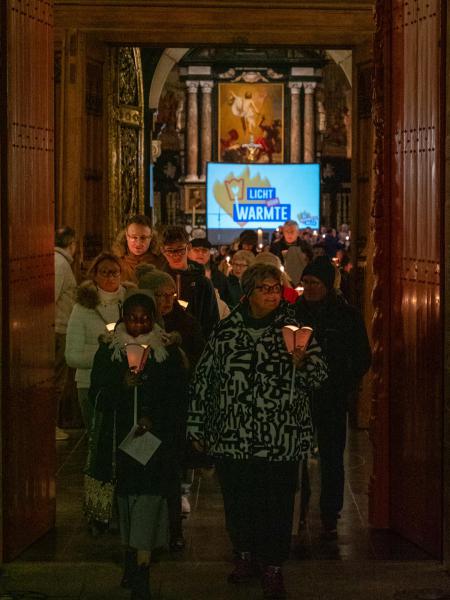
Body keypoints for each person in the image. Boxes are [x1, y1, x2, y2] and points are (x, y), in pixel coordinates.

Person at [188, 263, 328, 600]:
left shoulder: (294, 329)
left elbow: (320, 375)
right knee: (239, 500)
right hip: (232, 436)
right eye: (264, 288)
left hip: (279, 436)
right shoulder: (227, 331)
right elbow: (204, 379)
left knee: (276, 503)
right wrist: (197, 425)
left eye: (275, 288)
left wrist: (304, 362)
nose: (271, 294)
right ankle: (245, 555)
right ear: (248, 292)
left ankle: (273, 566)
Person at [89, 290, 188, 600]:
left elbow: (177, 396)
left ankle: (143, 566)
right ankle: (132, 559)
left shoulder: (167, 352)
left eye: (144, 319)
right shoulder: (109, 351)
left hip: (153, 446)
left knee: (147, 501)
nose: (138, 325)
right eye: (132, 319)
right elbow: (98, 396)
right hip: (120, 442)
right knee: (127, 502)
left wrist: (153, 417)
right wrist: (121, 387)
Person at [295, 256, 371, 539]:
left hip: (332, 396)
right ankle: (298, 508)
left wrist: (343, 383)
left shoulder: (346, 316)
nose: (310, 288)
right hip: (300, 396)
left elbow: (362, 356)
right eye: (305, 283)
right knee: (297, 455)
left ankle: (330, 512)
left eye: (315, 283)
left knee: (331, 455)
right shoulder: (293, 314)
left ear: (327, 285)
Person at [135, 263, 206, 549]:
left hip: (174, 410)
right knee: (141, 471)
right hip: (143, 411)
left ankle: (173, 530)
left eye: (170, 295)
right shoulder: (136, 322)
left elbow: (199, 356)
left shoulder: (186, 323)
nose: (167, 301)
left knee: (170, 473)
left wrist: (179, 349)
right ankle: (142, 531)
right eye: (159, 295)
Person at [160, 226, 219, 338]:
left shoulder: (202, 283)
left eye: (180, 250)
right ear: (163, 251)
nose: (175, 255)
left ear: (188, 247)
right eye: (170, 251)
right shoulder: (158, 282)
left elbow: (212, 321)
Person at [54, 226, 78, 441]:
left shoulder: (58, 262)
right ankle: (52, 425)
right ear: (72, 244)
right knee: (57, 379)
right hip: (59, 328)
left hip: (60, 326)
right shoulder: (60, 264)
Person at [113, 214, 165, 283]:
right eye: (134, 237)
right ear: (127, 236)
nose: (138, 243)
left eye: (143, 238)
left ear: (151, 237)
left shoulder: (162, 262)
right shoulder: (115, 262)